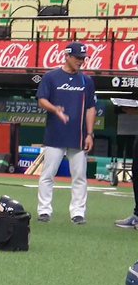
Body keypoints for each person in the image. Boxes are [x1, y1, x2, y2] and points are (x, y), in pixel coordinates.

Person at [35, 41, 96, 224]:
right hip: (55, 134)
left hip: (78, 135)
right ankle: (44, 210)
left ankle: (78, 213)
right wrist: (55, 109)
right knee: (48, 175)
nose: (81, 61)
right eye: (78, 58)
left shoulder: (87, 80)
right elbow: (41, 100)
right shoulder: (51, 77)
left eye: (83, 58)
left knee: (79, 176)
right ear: (67, 56)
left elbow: (91, 108)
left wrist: (90, 134)